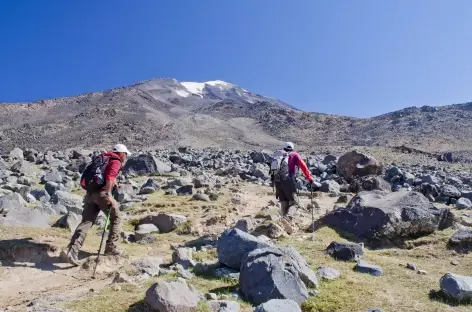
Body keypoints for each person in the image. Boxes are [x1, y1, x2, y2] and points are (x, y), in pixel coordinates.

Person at [62, 144, 131, 266]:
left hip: (90, 194)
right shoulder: (116, 161)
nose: (125, 157)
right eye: (125, 154)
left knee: (87, 221)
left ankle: (72, 249)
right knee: (116, 218)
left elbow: (106, 176)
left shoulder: (103, 158)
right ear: (121, 153)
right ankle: (111, 248)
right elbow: (109, 176)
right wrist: (109, 194)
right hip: (102, 194)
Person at [271, 142, 313, 219]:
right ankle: (288, 218)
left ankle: (283, 220)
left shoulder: (277, 154)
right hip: (288, 180)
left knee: (284, 201)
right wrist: (309, 177)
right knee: (295, 203)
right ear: (292, 148)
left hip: (277, 182)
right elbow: (303, 166)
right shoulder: (294, 154)